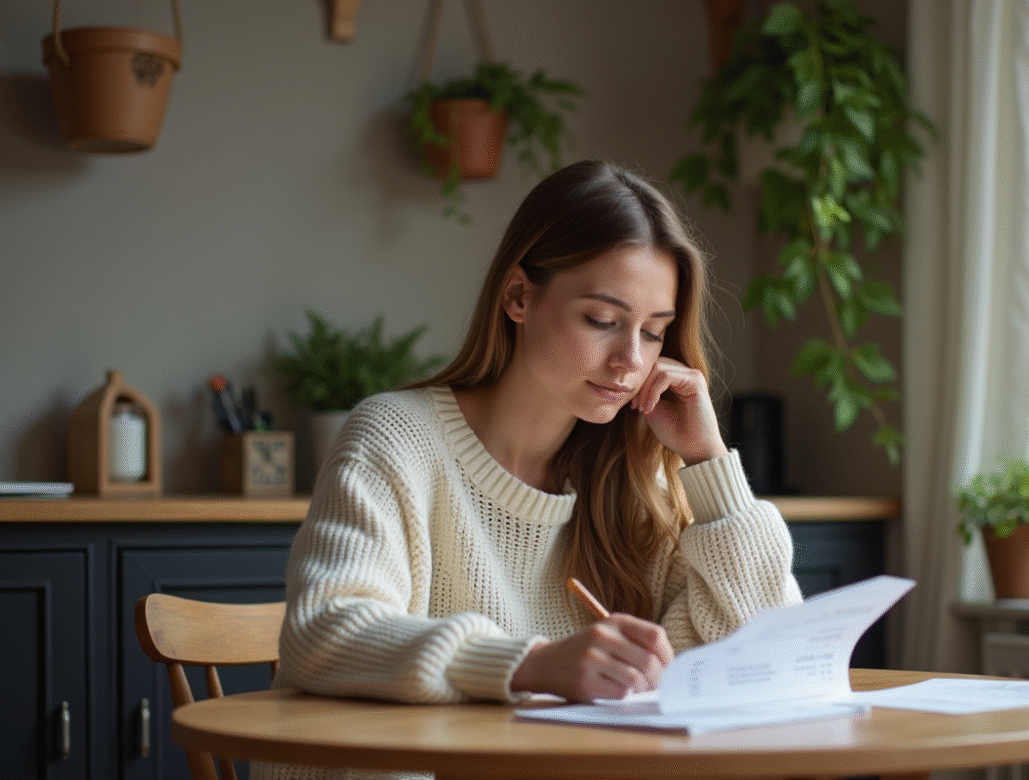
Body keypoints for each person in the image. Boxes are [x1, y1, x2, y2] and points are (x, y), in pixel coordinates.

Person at [254, 160, 802, 780]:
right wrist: (531, 664)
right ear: (518, 297)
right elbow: (323, 636)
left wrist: (708, 462)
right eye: (601, 320)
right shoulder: (397, 438)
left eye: (654, 332)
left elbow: (761, 657)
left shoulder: (635, 480)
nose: (629, 360)